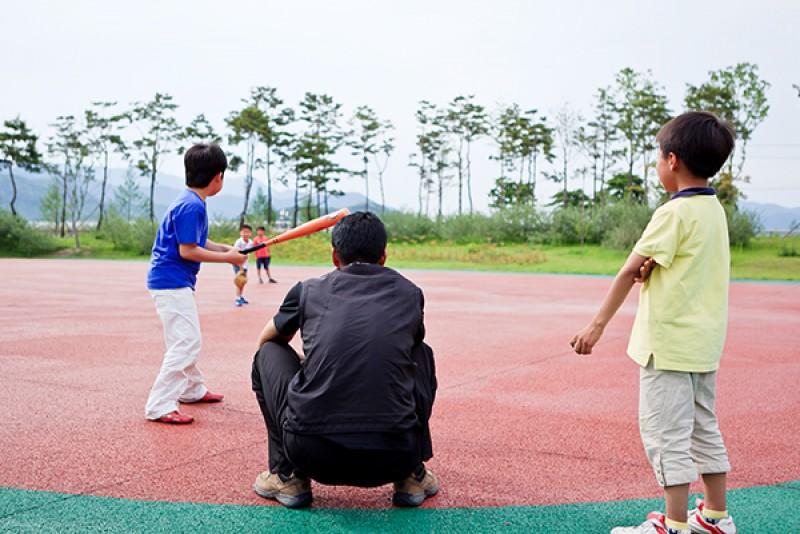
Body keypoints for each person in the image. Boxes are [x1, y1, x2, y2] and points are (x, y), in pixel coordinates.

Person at [570, 112, 737, 534]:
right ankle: (716, 516)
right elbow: (680, 264)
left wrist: (597, 326)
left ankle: (675, 524)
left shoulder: (672, 213)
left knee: (666, 434)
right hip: (703, 344)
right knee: (703, 427)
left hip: (666, 346)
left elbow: (628, 271)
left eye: (658, 158)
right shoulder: (713, 210)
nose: (657, 166)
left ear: (673, 160)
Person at [250, 211, 439, 509]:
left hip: (312, 453)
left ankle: (288, 476)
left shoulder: (306, 290)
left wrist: (305, 364)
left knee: (268, 354)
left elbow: (266, 341)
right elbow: (404, 353)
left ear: (335, 257)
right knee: (422, 353)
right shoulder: (410, 293)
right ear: (384, 257)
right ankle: (412, 475)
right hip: (396, 453)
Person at [145, 143, 245, 425]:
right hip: (170, 282)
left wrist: (225, 248)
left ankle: (191, 389)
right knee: (187, 342)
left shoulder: (191, 200)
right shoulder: (191, 206)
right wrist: (227, 260)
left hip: (172, 281)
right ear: (218, 177)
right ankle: (159, 405)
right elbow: (187, 251)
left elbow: (197, 242)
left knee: (183, 338)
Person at [233, 224, 254, 306]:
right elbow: (236, 254)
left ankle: (241, 296)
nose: (246, 234)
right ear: (240, 233)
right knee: (239, 281)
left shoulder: (250, 242)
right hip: (237, 264)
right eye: (244, 232)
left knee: (243, 282)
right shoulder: (238, 242)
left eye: (248, 232)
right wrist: (240, 267)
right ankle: (237, 298)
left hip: (245, 264)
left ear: (251, 233)